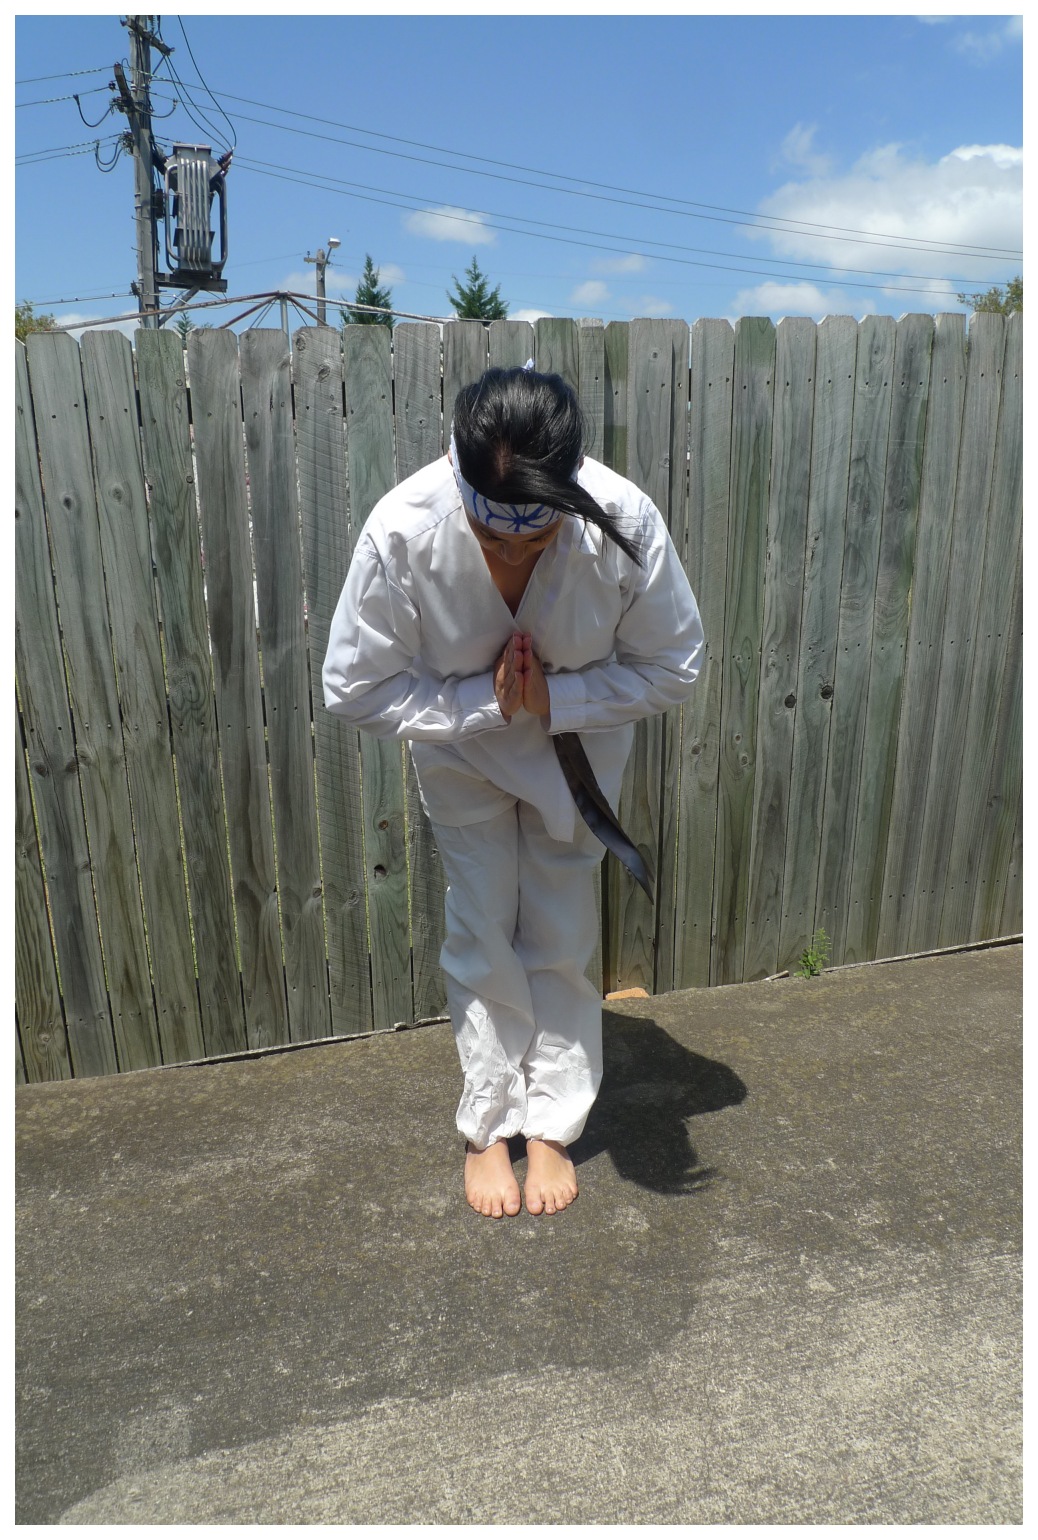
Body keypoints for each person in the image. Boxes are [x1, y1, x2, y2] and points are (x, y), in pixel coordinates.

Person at [323, 364, 704, 1218]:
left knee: (562, 932)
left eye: (535, 542)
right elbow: (351, 687)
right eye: (492, 540)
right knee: (482, 926)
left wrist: (555, 701)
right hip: (462, 754)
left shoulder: (624, 519)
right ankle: (489, 1125)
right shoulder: (403, 528)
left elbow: (676, 664)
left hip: (579, 756)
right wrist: (481, 706)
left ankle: (554, 1122)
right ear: (458, 478)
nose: (512, 556)